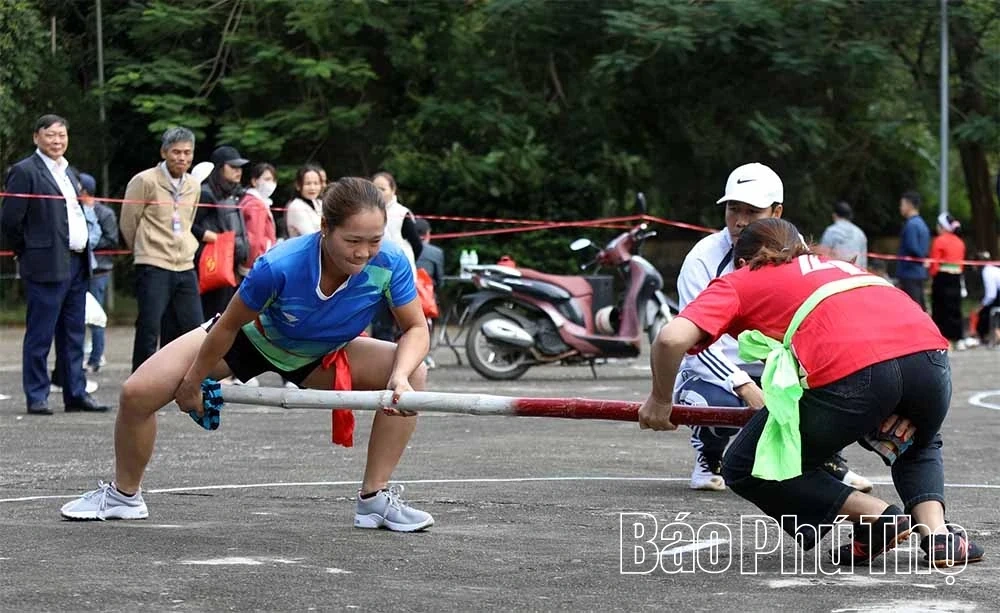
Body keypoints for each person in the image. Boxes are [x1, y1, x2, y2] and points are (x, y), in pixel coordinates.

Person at [61, 177, 435, 533]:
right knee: (137, 393)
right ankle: (124, 497)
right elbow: (226, 327)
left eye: (373, 240)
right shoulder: (280, 265)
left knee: (415, 376)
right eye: (353, 240)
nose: (364, 252)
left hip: (322, 354)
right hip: (249, 341)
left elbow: (416, 329)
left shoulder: (390, 262)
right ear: (324, 227)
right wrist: (193, 382)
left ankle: (374, 499)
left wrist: (399, 375)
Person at [640, 217, 984, 567]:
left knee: (747, 464)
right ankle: (940, 537)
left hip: (859, 370)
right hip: (930, 358)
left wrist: (660, 400)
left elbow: (670, 338)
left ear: (742, 261)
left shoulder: (743, 278)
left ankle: (877, 516)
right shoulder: (836, 266)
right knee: (918, 439)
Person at [673, 162, 869, 492]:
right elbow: (694, 343)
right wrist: (745, 386)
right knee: (716, 401)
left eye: (752, 211)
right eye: (733, 209)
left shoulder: (796, 255)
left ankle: (825, 458)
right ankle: (710, 456)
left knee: (834, 383)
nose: (739, 221)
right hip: (716, 369)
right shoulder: (702, 259)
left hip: (775, 366)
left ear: (777, 211)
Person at [0, 114, 109, 414]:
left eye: (62, 135)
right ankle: (37, 395)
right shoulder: (24, 171)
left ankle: (75, 392)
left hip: (77, 262)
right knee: (41, 333)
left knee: (74, 333)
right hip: (45, 263)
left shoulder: (69, 171)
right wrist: (29, 251)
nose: (57, 141)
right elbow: (10, 221)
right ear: (36, 137)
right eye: (50, 135)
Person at [120, 127, 204, 372]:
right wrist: (143, 248)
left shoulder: (193, 185)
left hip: (185, 263)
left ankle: (182, 378)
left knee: (194, 327)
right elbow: (128, 221)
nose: (182, 158)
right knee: (149, 326)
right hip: (154, 262)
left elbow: (188, 220)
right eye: (176, 152)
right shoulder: (145, 181)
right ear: (164, 152)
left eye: (188, 152)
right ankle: (141, 381)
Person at [233, 162, 279, 386]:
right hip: (257, 268)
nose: (269, 184)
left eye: (272, 179)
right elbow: (256, 239)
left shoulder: (253, 202)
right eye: (265, 178)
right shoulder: (256, 205)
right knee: (250, 320)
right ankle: (238, 372)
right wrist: (256, 265)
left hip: (255, 266)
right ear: (254, 180)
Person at [193, 146, 250, 320]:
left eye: (240, 167)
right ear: (219, 168)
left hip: (230, 265)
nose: (238, 171)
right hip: (212, 266)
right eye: (233, 167)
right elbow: (188, 224)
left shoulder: (233, 193)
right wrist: (206, 235)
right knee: (212, 318)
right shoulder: (205, 193)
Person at [371, 171, 422, 341]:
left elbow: (417, 245)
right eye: (375, 188)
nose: (378, 192)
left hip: (399, 276)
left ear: (393, 190)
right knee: (380, 323)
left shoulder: (402, 213)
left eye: (382, 188)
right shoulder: (368, 213)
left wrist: (405, 263)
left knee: (404, 324)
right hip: (376, 275)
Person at [81, 172, 119, 372]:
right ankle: (79, 357)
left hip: (99, 271)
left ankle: (96, 357)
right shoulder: (76, 211)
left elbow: (112, 240)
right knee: (77, 317)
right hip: (80, 272)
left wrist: (87, 245)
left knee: (96, 317)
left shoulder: (104, 213)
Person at [928, 213, 966, 350]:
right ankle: (959, 338)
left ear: (942, 227)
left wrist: (931, 274)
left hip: (942, 278)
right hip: (956, 277)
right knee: (955, 308)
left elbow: (934, 263)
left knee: (940, 308)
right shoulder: (960, 242)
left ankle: (943, 339)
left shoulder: (939, 240)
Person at [896, 191, 931, 309]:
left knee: (912, 307)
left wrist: (921, 258)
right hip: (919, 272)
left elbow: (912, 247)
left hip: (909, 272)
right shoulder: (922, 224)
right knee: (920, 305)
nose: (900, 207)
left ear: (909, 205)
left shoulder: (911, 225)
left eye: (902, 204)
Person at [818, 200, 868, 269]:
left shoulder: (831, 231)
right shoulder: (860, 233)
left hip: (837, 274)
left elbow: (822, 256)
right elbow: (863, 262)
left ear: (834, 215)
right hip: (856, 274)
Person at [284, 164, 324, 238]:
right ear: (298, 185)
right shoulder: (296, 206)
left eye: (316, 183)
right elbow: (311, 236)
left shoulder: (319, 202)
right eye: (308, 183)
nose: (312, 188)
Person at [975, 251, 1000, 344]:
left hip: (997, 296)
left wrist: (982, 305)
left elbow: (991, 295)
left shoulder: (987, 272)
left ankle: (986, 335)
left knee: (983, 313)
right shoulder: (994, 269)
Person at [414, 217, 445, 291]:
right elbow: (440, 282)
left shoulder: (399, 250)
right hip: (426, 296)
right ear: (427, 233)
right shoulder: (436, 252)